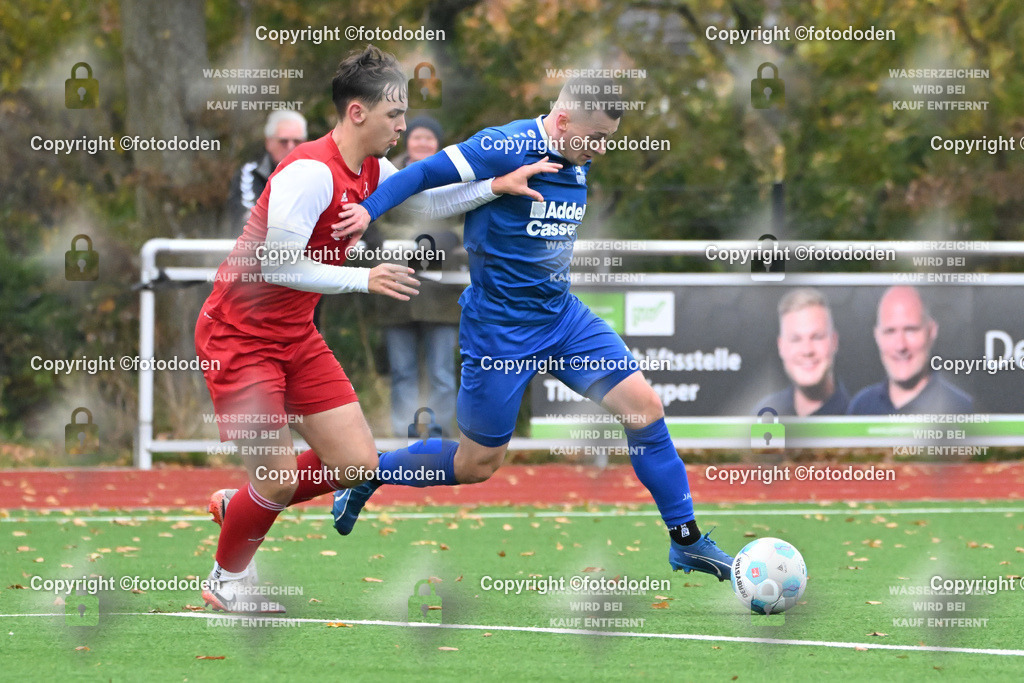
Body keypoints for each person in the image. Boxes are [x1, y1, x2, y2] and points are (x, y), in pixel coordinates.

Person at [194, 45, 558, 613]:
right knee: (280, 480)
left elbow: (429, 199)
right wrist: (364, 278)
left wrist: (496, 186)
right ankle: (225, 577)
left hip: (293, 337)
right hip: (238, 338)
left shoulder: (371, 169)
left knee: (357, 466)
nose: (404, 125)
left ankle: (246, 502)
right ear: (357, 113)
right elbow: (275, 264)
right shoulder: (310, 172)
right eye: (394, 114)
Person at [330, 77, 734, 581]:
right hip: (499, 330)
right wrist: (366, 211)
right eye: (596, 137)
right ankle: (370, 475)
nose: (602, 149)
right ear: (562, 121)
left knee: (645, 408)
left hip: (562, 318)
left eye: (609, 138)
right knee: (476, 465)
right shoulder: (506, 145)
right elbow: (423, 176)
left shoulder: (577, 156)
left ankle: (686, 540)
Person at [362, 116, 462, 436]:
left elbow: (469, 220)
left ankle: (439, 435)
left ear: (438, 143)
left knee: (442, 372)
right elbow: (372, 219)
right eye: (417, 137)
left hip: (442, 292)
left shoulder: (457, 176)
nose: (422, 143)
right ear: (407, 140)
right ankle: (403, 436)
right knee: (402, 371)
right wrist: (411, 242)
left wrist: (448, 240)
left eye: (429, 139)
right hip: (396, 286)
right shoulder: (383, 174)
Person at [848, 285, 973, 414]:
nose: (900, 346)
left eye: (910, 330)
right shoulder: (861, 407)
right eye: (890, 331)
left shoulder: (962, 410)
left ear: (931, 331)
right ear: (877, 336)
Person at [755, 288, 850, 416]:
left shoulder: (860, 413)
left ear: (834, 341)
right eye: (795, 339)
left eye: (817, 337)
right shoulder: (764, 413)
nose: (807, 350)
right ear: (781, 346)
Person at [224, 111, 308, 233]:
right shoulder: (250, 174)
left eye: (297, 141)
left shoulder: (319, 175)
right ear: (269, 143)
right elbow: (249, 221)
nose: (291, 147)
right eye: (283, 141)